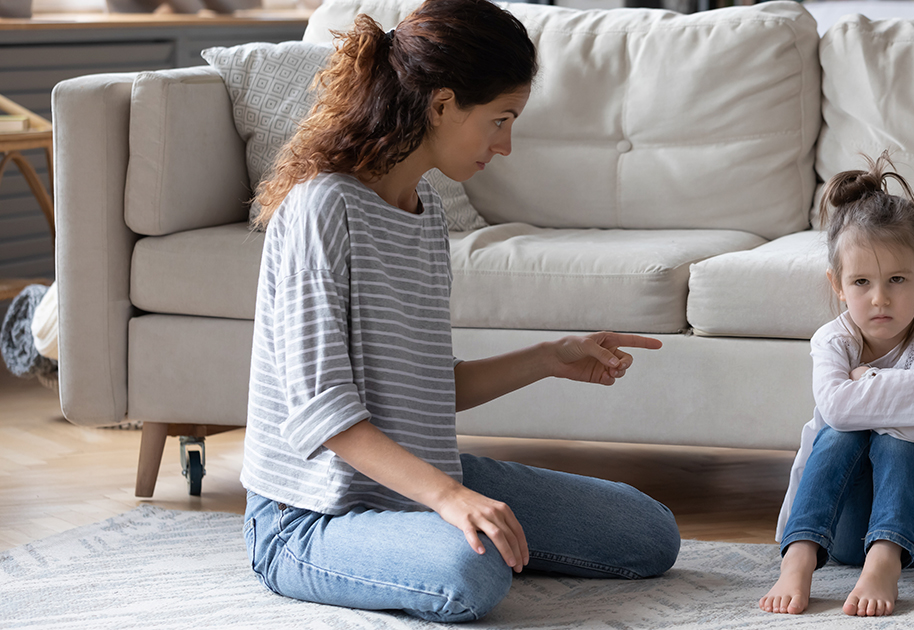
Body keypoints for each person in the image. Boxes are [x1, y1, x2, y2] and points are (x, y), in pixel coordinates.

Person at [240, 1, 680, 622]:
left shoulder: (426, 216)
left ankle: (430, 529)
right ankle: (426, 536)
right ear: (442, 105)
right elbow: (323, 416)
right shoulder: (322, 209)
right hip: (309, 516)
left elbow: (426, 387)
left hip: (406, 486)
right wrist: (450, 497)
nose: (505, 145)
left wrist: (550, 358)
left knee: (647, 533)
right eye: (500, 120)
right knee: (470, 570)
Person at [759, 152, 914, 617]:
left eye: (897, 279)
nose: (880, 298)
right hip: (839, 534)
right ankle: (800, 555)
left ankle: (884, 559)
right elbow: (839, 410)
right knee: (840, 430)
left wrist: (868, 380)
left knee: (901, 439)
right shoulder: (832, 341)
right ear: (838, 284)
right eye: (861, 281)